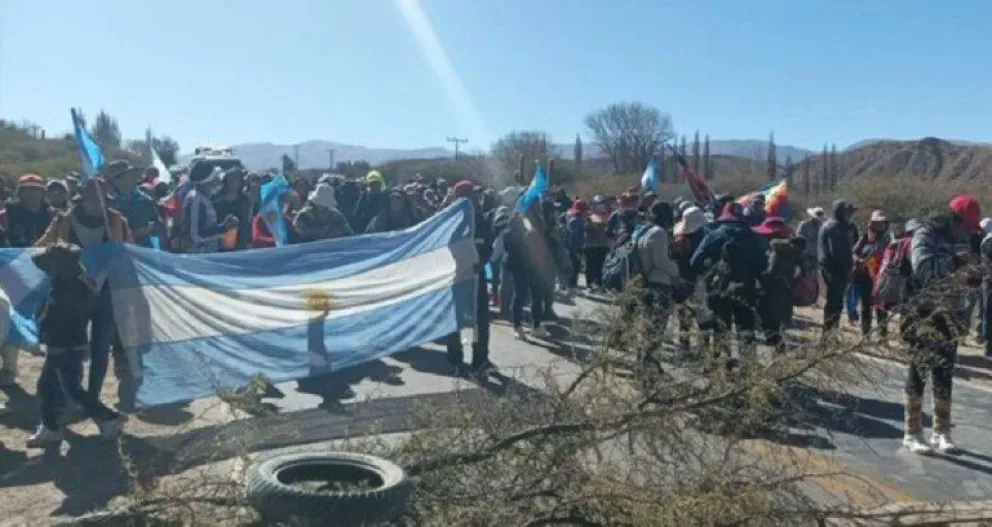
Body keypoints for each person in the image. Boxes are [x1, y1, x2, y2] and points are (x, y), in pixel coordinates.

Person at [36, 177, 133, 404]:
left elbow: (128, 252)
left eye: (100, 198)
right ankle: (73, 394)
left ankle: (93, 396)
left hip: (106, 293)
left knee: (101, 347)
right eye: (91, 198)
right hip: (70, 294)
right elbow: (40, 246)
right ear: (81, 199)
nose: (95, 203)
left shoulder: (116, 220)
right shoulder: (64, 220)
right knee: (72, 347)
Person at [901, 197, 981, 454]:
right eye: (966, 226)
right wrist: (956, 264)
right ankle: (912, 432)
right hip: (923, 313)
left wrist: (973, 278)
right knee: (919, 370)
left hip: (950, 315)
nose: (968, 232)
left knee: (944, 372)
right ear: (954, 219)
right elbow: (923, 268)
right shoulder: (926, 233)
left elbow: (963, 276)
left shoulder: (962, 237)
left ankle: (941, 432)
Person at [25, 243, 122, 447]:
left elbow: (59, 320)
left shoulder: (66, 289)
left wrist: (47, 329)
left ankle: (107, 417)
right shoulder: (73, 282)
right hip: (70, 345)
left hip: (64, 346)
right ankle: (50, 427)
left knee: (71, 390)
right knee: (49, 387)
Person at [0, 174, 53, 387]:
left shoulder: (53, 216)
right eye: (28, 190)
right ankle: (10, 368)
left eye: (37, 189)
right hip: (11, 273)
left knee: (43, 315)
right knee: (10, 315)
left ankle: (38, 348)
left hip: (42, 274)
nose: (33, 194)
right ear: (20, 192)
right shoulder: (6, 216)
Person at [445, 181, 495, 376]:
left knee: (480, 320)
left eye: (473, 196)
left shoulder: (481, 220)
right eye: (467, 196)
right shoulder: (449, 223)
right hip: (457, 278)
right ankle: (455, 359)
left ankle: (480, 359)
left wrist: (481, 263)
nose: (472, 199)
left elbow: (489, 246)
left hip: (477, 277)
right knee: (456, 319)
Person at [181, 163, 239, 253]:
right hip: (198, 256)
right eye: (216, 177)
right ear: (208, 181)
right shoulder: (196, 200)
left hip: (207, 253)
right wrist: (223, 228)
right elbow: (196, 235)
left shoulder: (204, 198)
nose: (219, 180)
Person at [818, 200, 855, 337]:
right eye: (848, 212)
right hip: (835, 271)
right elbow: (838, 253)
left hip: (831, 270)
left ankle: (830, 335)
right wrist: (848, 270)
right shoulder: (835, 227)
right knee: (834, 304)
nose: (850, 215)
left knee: (835, 304)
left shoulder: (833, 225)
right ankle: (828, 337)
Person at [851, 210, 890, 337]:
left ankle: (882, 336)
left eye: (882, 223)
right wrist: (859, 260)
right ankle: (865, 335)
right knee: (866, 306)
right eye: (877, 222)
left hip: (882, 276)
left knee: (881, 307)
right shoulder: (866, 235)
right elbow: (854, 252)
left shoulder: (888, 238)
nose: (879, 225)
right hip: (865, 276)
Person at [107, 160, 164, 248]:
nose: (134, 176)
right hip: (122, 253)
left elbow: (159, 225)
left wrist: (150, 228)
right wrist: (133, 233)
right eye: (129, 174)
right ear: (118, 178)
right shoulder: (109, 202)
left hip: (146, 251)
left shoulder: (145, 199)